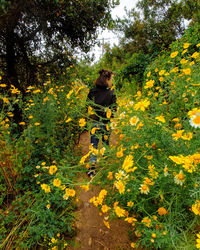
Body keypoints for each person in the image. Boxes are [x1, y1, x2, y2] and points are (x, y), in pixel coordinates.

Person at [86, 69, 117, 177]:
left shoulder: (92, 91)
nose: (112, 81)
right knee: (105, 144)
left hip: (94, 123)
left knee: (93, 145)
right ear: (107, 80)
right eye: (111, 79)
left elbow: (87, 106)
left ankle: (91, 169)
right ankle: (105, 168)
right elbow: (114, 110)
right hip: (106, 124)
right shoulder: (111, 93)